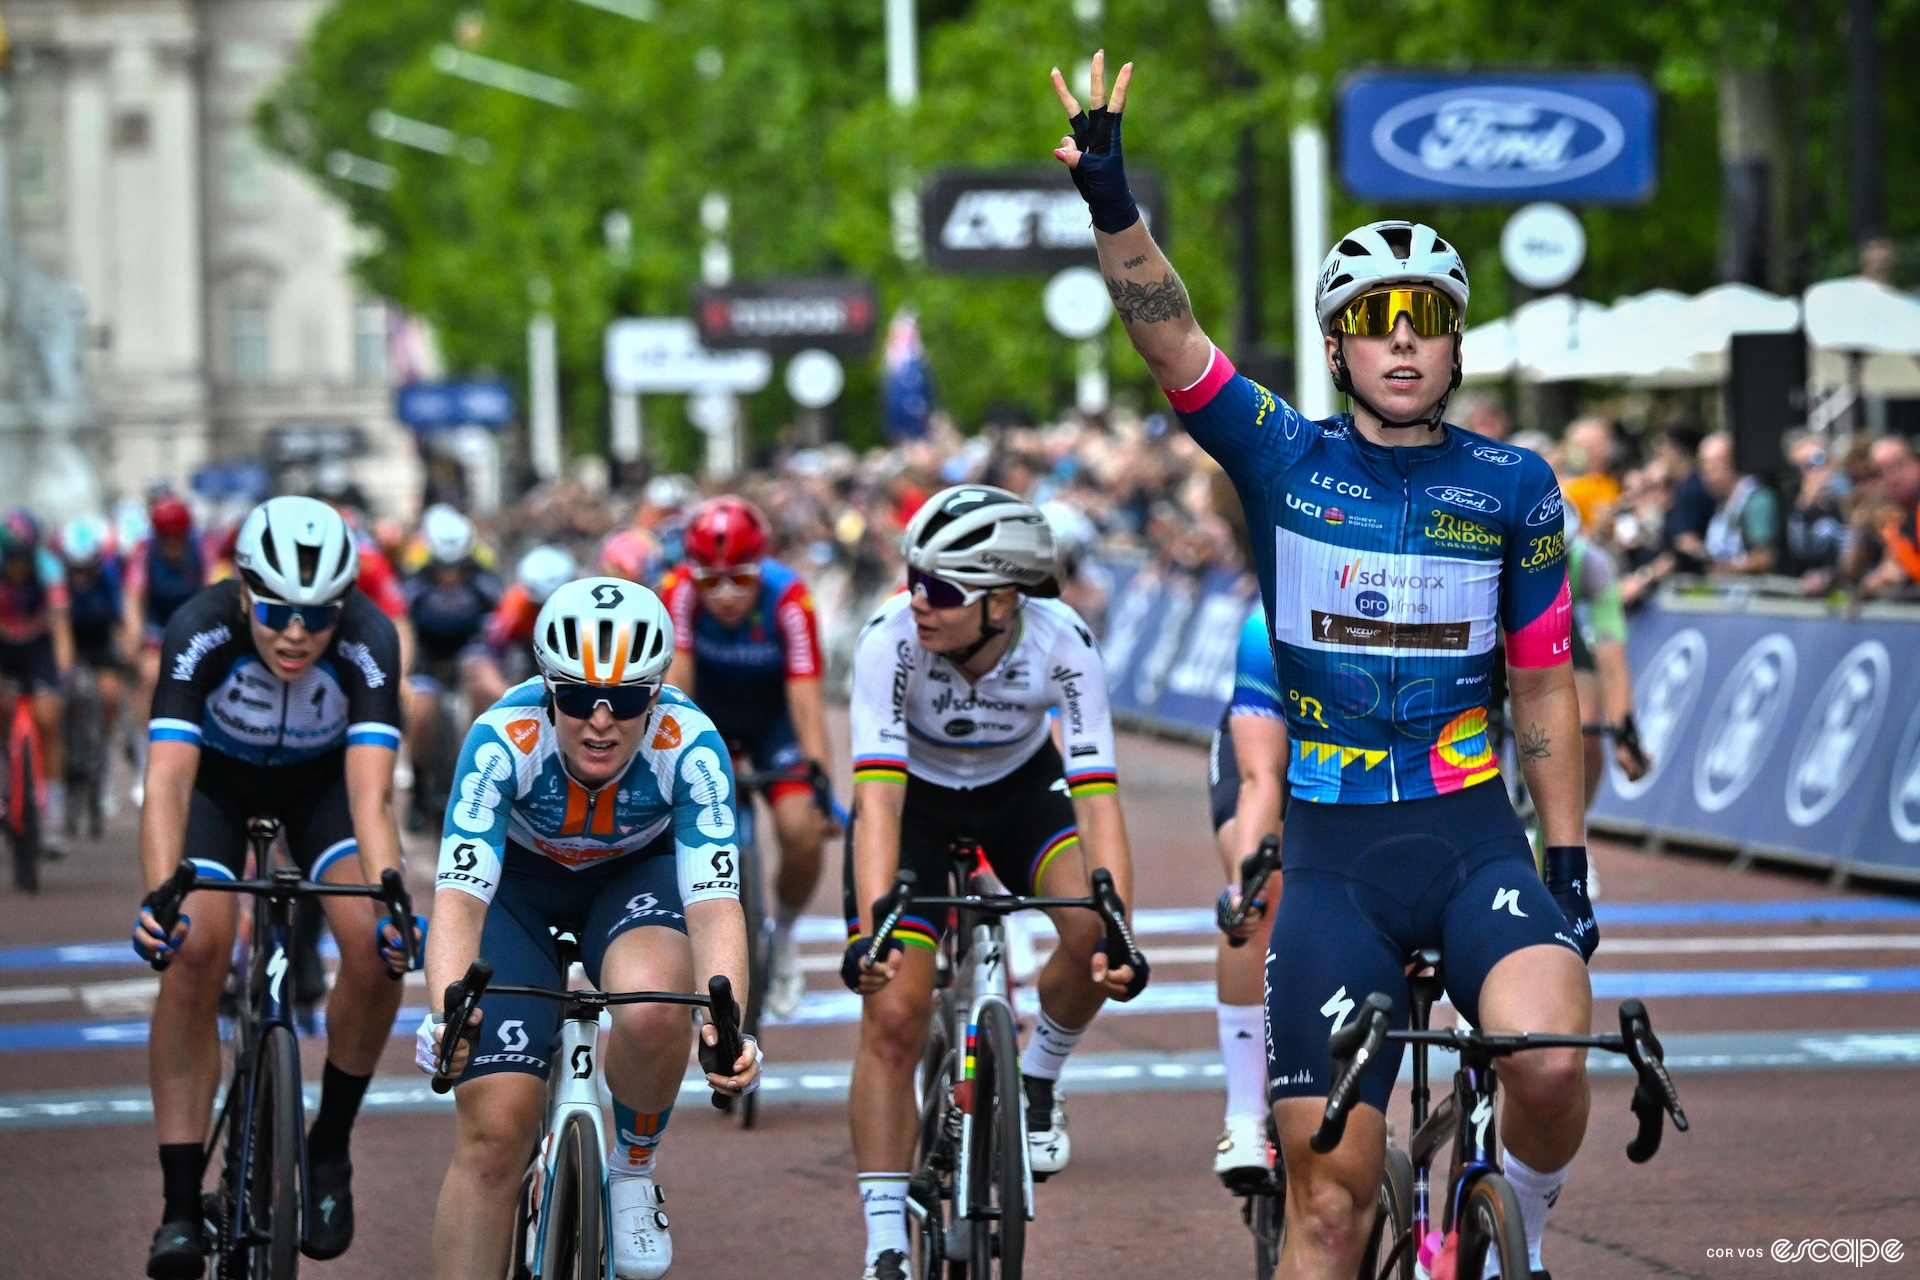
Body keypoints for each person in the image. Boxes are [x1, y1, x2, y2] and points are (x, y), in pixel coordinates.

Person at [1052, 52, 1595, 1278]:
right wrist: (1111, 207)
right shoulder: (1280, 457)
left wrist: (1565, 855)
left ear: (1456, 346)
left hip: (1473, 838)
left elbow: (1547, 681)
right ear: (1338, 347)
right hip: (1336, 861)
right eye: (1371, 323)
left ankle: (1524, 1223)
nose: (1400, 344)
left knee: (1556, 1061)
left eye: (1426, 323)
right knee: (1331, 1211)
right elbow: (1171, 332)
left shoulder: (1515, 485)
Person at [417, 577, 761, 1280]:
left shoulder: (692, 747)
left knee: (656, 1008)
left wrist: (730, 1030)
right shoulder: (500, 741)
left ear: (655, 696)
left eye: (627, 699)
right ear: (547, 692)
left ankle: (633, 1167)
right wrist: (447, 1014)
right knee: (494, 1134)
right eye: (576, 696)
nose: (600, 721)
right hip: (516, 895)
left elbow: (716, 903)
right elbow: (457, 899)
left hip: (631, 885)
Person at [843, 484, 1145, 1280]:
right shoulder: (889, 641)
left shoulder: (1064, 642)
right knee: (896, 1013)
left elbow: (1097, 798)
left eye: (940, 589)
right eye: (913, 578)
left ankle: (1038, 1076)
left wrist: (1120, 927)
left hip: (1021, 791)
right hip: (915, 801)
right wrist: (876, 920)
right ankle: (882, 1242)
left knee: (1090, 939)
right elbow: (876, 800)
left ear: (1004, 601)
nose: (918, 602)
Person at [130, 496, 418, 1279]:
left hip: (320, 791)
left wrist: (393, 891)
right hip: (216, 792)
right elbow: (166, 785)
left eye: (318, 615)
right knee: (196, 951)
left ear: (345, 605)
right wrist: (161, 896)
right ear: (246, 592)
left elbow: (372, 798)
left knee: (375, 946)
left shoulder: (369, 640)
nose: (297, 633)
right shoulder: (201, 627)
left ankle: (329, 1149)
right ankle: (182, 1204)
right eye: (279, 611)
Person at [662, 496, 833, 1019]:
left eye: (741, 578)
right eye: (711, 581)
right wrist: (675, 767)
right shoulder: (677, 594)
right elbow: (677, 688)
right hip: (709, 717)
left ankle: (781, 937)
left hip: (772, 723)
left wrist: (819, 775)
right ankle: (700, 952)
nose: (727, 594)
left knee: (801, 829)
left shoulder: (790, 598)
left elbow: (806, 693)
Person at [1208, 608, 1288, 1186]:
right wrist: (1247, 888)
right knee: (1261, 894)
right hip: (1268, 747)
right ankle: (1244, 1116)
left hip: (1368, 761)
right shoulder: (1269, 623)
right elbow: (1261, 779)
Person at [401, 505, 503, 826]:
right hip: (427, 651)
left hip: (466, 646)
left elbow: (500, 619)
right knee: (421, 711)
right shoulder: (412, 573)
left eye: (457, 568)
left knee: (483, 683)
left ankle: (480, 762)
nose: (449, 576)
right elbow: (400, 619)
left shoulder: (485, 575)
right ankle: (418, 791)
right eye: (442, 568)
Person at [1564, 507, 1649, 809]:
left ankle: (1572, 836)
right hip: (1495, 626)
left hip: (1556, 625)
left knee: (1586, 732)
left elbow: (1612, 661)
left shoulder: (1591, 563)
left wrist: (1625, 734)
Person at [0, 509, 73, 831]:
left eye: (23, 558)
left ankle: (54, 802)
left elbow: (61, 628)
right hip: (4, 647)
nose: (18, 567)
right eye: (12, 559)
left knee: (49, 717)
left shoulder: (49, 569)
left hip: (39, 648)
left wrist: (64, 669)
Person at [125, 496, 208, 749]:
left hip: (193, 621)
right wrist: (133, 635)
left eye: (178, 537)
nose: (172, 544)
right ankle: (143, 747)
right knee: (150, 676)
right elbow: (133, 597)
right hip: (156, 624)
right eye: (166, 538)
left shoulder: (202, 549)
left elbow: (213, 591)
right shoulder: (144, 551)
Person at [61, 514, 131, 789]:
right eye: (74, 569)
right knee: (63, 694)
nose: (80, 576)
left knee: (109, 694)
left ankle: (105, 745)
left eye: (86, 568)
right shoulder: (58, 580)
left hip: (100, 640)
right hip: (70, 639)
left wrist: (127, 652)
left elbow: (121, 619)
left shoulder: (108, 577)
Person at [467, 544, 576, 709]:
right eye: (538, 605)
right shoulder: (515, 603)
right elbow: (488, 653)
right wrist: (509, 697)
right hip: (527, 657)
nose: (544, 612)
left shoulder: (582, 604)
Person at [1698, 432, 1779, 574]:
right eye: (1705, 467)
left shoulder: (1756, 500)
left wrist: (1727, 569)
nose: (1708, 476)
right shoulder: (1724, 502)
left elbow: (1766, 557)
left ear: (1734, 464)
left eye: (1715, 466)